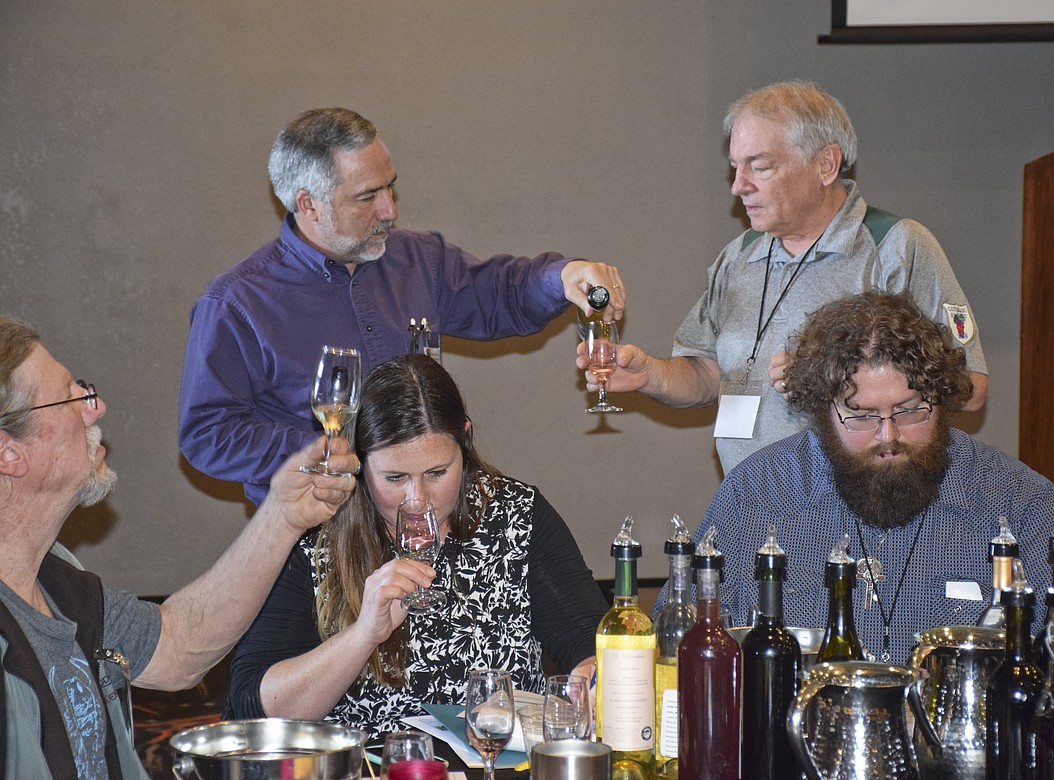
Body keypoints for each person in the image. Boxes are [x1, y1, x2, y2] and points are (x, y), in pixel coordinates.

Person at [180, 107, 627, 505]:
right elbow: (208, 435)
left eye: (390, 188)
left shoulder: (417, 259)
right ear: (308, 204)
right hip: (315, 533)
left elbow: (500, 293)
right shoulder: (237, 303)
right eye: (367, 196)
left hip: (427, 519)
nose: (390, 210)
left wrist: (565, 275)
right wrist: (329, 450)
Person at [0, 316, 357, 779]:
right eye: (73, 396)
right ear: (9, 453)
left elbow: (176, 647)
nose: (97, 408)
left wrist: (283, 516)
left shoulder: (54, 575)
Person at [659, 291, 1054, 664]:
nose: (889, 436)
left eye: (909, 410)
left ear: (940, 398)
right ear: (823, 410)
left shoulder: (1020, 503)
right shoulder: (755, 493)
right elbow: (676, 643)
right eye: (862, 416)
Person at [582, 81, 988, 475]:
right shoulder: (740, 255)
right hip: (754, 506)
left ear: (825, 164)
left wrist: (828, 376)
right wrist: (649, 374)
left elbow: (971, 389)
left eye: (759, 166)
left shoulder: (896, 247)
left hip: (866, 512)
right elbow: (708, 373)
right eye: (735, 168)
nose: (738, 186)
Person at [226, 354, 606, 734]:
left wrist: (593, 673)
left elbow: (588, 640)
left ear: (466, 441)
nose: (417, 498)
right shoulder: (316, 531)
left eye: (437, 473)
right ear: (359, 462)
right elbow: (252, 709)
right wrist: (362, 636)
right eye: (394, 478)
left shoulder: (515, 514)